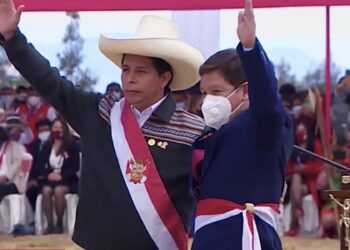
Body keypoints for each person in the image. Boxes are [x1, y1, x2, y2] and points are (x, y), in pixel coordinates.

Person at [0, 2, 205, 249]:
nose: (129, 78)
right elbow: (50, 82)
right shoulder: (102, 113)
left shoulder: (192, 130)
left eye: (141, 71)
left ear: (164, 77)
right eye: (126, 69)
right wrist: (12, 37)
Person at [191, 0, 294, 249]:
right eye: (204, 93)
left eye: (216, 91)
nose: (208, 101)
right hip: (207, 240)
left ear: (245, 91)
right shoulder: (210, 136)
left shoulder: (265, 125)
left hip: (247, 239)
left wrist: (250, 49)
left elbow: (267, 99)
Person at [38, 117, 80, 234]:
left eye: (60, 128)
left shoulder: (72, 145)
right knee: (45, 191)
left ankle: (59, 223)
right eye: (55, 127)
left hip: (67, 180)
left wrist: (62, 176)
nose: (58, 130)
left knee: (58, 191)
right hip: (50, 179)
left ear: (65, 129)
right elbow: (40, 166)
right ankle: (49, 224)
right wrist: (48, 175)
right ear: (51, 129)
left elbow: (75, 166)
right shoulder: (47, 146)